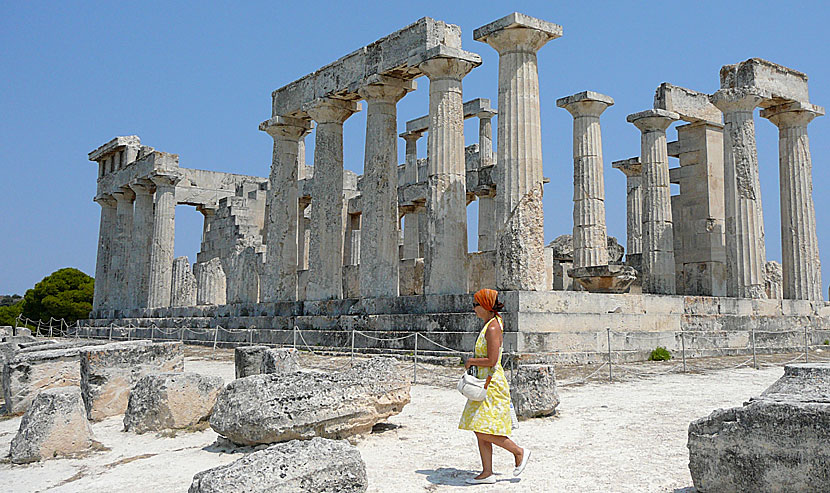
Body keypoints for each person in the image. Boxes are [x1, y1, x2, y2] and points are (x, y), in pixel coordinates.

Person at [458, 288, 530, 484]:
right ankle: (487, 472)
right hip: (486, 381)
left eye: (476, 304)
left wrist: (471, 361)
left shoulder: (492, 328)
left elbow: (492, 360)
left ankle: (519, 452)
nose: (473, 308)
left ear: (486, 305)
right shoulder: (491, 323)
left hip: (491, 383)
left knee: (483, 429)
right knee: (478, 426)